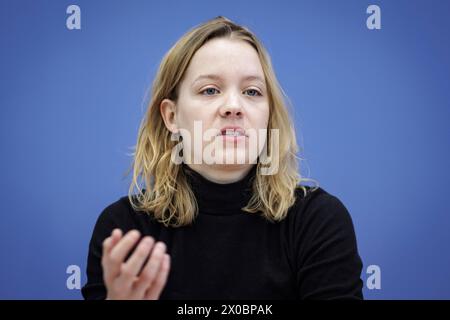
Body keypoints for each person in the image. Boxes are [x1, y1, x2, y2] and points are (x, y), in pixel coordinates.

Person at [81, 16, 364, 300]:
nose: (233, 106)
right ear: (171, 116)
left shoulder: (317, 221)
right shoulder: (125, 229)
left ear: (268, 115)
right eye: (210, 90)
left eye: (252, 91)